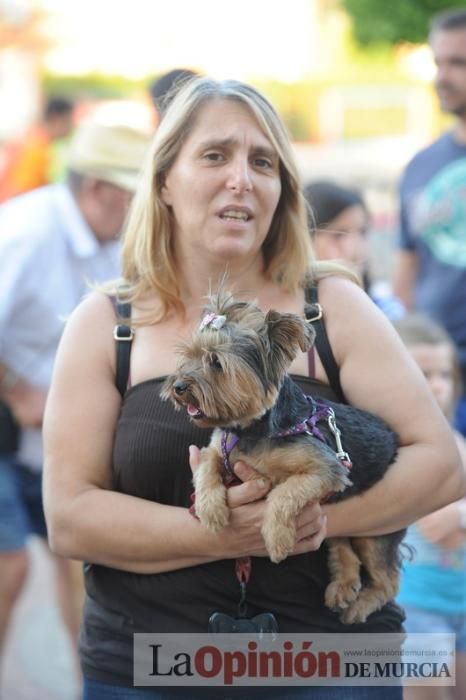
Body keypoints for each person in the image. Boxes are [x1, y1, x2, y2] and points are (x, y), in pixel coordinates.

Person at [42, 77, 464, 700]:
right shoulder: (108, 324)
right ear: (163, 179)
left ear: (281, 194)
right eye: (215, 155)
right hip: (150, 668)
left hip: (331, 667)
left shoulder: (331, 307)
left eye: (262, 162)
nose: (241, 177)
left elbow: (441, 465)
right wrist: (222, 531)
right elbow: (70, 517)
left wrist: (309, 521)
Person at [0, 119, 151, 685]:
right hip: (9, 414)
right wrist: (17, 390)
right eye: (137, 195)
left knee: (82, 561)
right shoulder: (26, 231)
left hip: (53, 426)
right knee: (9, 566)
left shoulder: (116, 242)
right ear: (98, 190)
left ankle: (88, 681)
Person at [393, 7, 466, 437]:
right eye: (439, 62)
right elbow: (405, 274)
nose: (443, 76)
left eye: (459, 63)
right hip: (435, 376)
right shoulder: (420, 167)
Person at [393, 313, 466, 700]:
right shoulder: (397, 446)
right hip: (417, 608)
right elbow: (436, 521)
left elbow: (453, 517)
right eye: (424, 374)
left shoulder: (456, 440)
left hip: (460, 602)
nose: (437, 386)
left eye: (445, 375)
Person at [303, 180, 405, 320]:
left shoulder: (387, 311)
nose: (356, 249)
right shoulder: (286, 317)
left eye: (363, 232)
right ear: (304, 238)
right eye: (338, 235)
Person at [0, 95, 75, 202]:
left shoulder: (33, 137)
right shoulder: (36, 149)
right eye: (68, 120)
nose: (71, 127)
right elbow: (20, 193)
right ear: (56, 118)